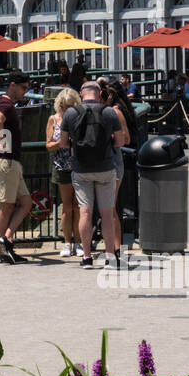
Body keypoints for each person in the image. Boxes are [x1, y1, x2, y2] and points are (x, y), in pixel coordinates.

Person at [58, 80, 124, 269]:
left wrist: (77, 144)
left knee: (85, 212)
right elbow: (119, 141)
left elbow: (62, 143)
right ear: (99, 93)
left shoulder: (71, 113)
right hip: (105, 168)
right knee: (107, 213)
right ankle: (111, 257)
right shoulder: (109, 112)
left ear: (81, 93)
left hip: (81, 169)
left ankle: (86, 257)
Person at [0, 72, 33, 265]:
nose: (25, 91)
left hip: (11, 162)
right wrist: (3, 139)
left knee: (26, 203)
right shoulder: (6, 104)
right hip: (5, 161)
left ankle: (6, 238)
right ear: (13, 85)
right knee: (6, 206)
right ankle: (3, 250)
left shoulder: (4, 103)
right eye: (24, 88)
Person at [45, 87, 81, 257]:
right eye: (65, 106)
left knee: (79, 207)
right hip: (62, 166)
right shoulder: (53, 119)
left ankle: (79, 242)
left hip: (80, 165)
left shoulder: (80, 118)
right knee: (67, 207)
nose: (67, 109)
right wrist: (62, 141)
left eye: (71, 106)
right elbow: (48, 145)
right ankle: (67, 242)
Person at [106, 81, 137, 251]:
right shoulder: (119, 109)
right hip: (115, 162)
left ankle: (116, 247)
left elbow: (126, 139)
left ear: (110, 95)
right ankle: (115, 246)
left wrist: (105, 136)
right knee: (110, 208)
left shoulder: (115, 111)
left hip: (115, 162)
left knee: (110, 208)